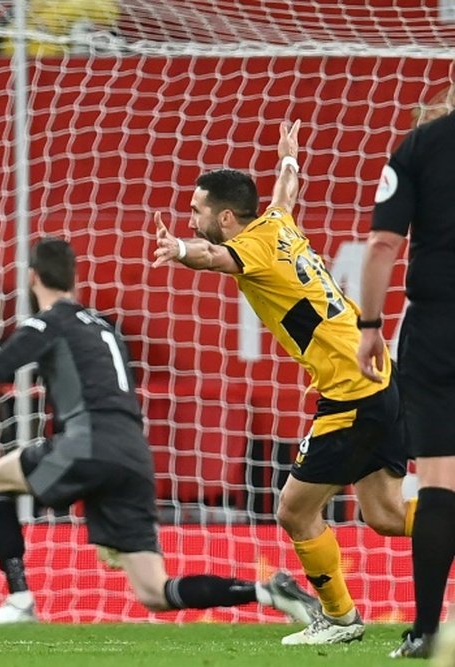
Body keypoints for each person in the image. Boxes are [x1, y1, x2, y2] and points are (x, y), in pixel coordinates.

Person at [0, 237, 320, 628]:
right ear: (74, 279)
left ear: (32, 277)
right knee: (155, 593)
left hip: (89, 443)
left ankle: (20, 599)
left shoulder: (46, 322)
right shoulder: (102, 327)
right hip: (134, 456)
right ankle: (266, 591)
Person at [151, 120, 415, 645]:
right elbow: (286, 196)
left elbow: (212, 257)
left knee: (294, 510)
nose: (191, 217)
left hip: (351, 391)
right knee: (385, 514)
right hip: (379, 378)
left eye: (197, 211)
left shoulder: (252, 248)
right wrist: (289, 161)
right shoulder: (278, 224)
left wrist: (180, 250)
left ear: (226, 217)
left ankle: (340, 619)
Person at [356, 86, 455, 659]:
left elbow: (382, 245)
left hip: (441, 330)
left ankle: (424, 631)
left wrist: (370, 325)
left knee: (441, 478)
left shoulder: (419, 146)